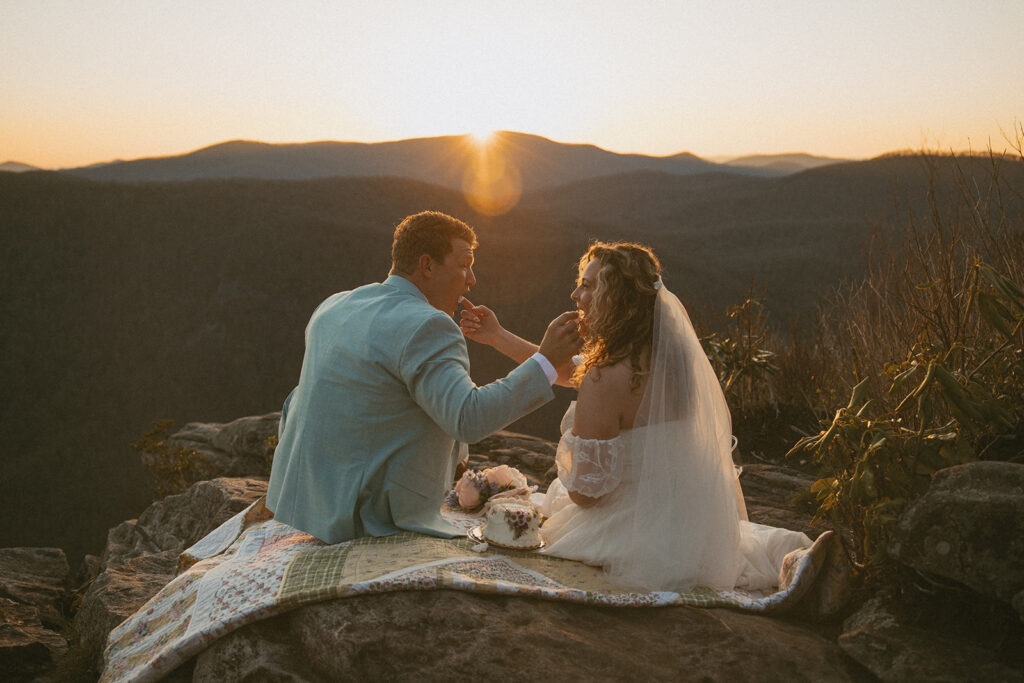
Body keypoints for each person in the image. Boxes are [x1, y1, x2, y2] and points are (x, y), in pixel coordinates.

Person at [460, 241, 811, 592]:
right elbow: (566, 372)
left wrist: (568, 468)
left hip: (631, 530)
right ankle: (795, 561)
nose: (574, 294)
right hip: (691, 526)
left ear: (613, 298)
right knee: (754, 547)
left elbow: (586, 493)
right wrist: (497, 336)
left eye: (587, 285)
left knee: (527, 523)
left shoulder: (604, 377)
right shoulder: (673, 364)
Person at [266, 211, 581, 544]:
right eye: (463, 265)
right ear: (427, 266)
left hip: (309, 502)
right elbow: (468, 417)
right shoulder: (427, 324)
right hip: (369, 514)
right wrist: (545, 362)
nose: (471, 279)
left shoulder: (334, 305)